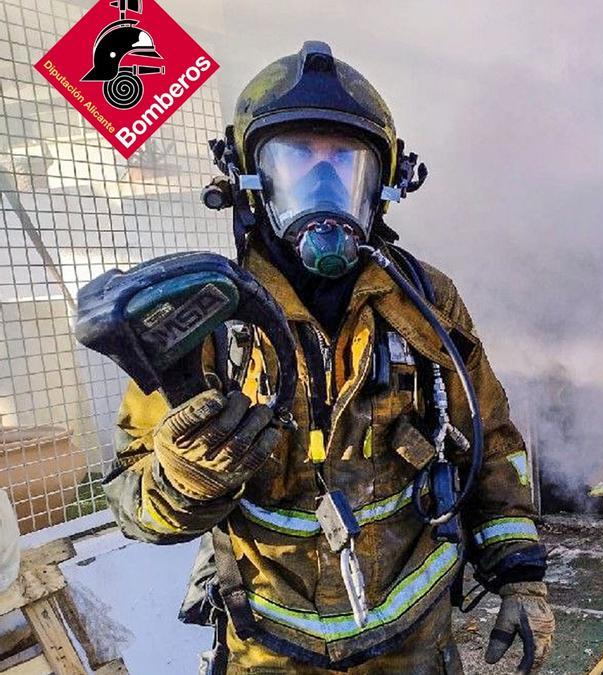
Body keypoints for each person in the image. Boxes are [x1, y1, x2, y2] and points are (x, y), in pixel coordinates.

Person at [102, 42, 554, 673]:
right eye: (296, 163)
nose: (321, 188)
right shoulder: (201, 318)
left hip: (413, 647)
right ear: (248, 181)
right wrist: (186, 479)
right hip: (269, 649)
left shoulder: (426, 303)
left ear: (384, 183)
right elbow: (130, 503)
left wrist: (520, 577)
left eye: (343, 164)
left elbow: (492, 441)